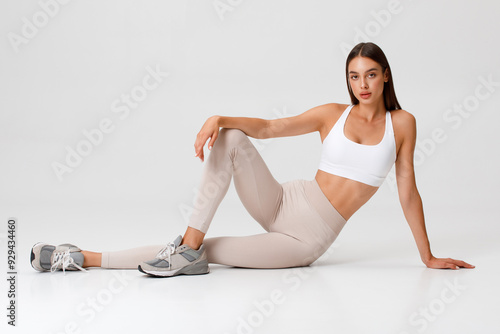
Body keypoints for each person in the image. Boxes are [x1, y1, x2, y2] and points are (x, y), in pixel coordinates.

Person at [30, 42, 475, 277]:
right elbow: (269, 128)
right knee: (232, 138)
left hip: (307, 240)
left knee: (211, 254)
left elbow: (407, 189)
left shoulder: (403, 123)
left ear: (385, 76)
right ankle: (181, 247)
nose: (362, 84)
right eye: (354, 76)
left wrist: (428, 256)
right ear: (347, 80)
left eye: (370, 75)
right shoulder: (330, 114)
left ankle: (85, 258)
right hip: (285, 200)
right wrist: (219, 117)